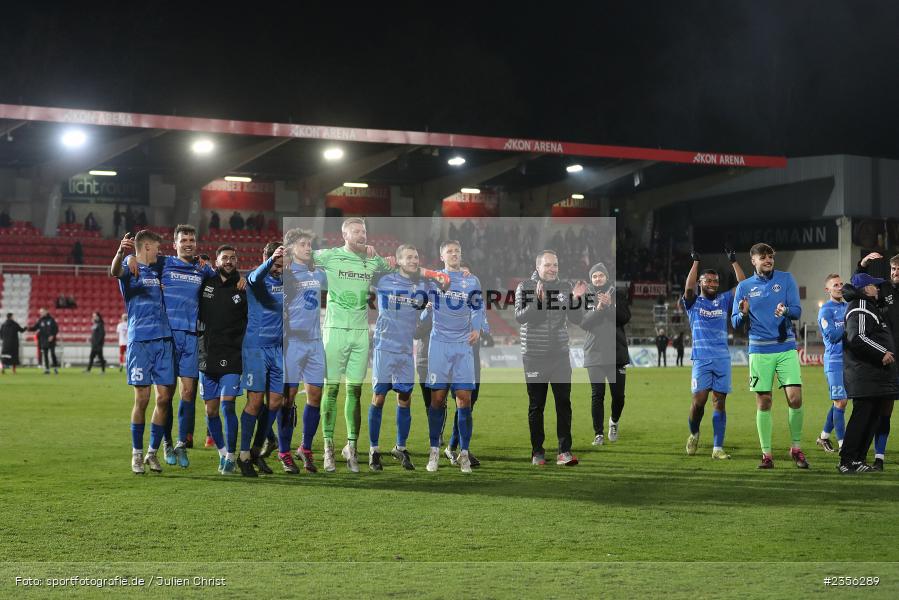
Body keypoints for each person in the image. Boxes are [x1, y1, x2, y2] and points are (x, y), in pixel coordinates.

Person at [116, 225, 222, 467]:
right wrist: (129, 255)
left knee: (187, 392)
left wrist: (237, 279)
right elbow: (139, 259)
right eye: (183, 239)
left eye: (191, 239)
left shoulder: (202, 269)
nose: (188, 243)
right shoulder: (163, 263)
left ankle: (181, 444)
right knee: (165, 395)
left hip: (191, 336)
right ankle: (161, 444)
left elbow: (220, 282)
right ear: (175, 244)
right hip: (166, 335)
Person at [313, 218, 391, 473]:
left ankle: (351, 447)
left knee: (355, 392)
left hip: (360, 333)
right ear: (344, 234)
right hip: (334, 332)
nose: (361, 234)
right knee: (331, 391)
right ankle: (327, 448)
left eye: (364, 231)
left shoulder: (372, 259)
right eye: (356, 231)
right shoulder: (330, 256)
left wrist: (387, 259)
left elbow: (398, 267)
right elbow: (300, 256)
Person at [732, 243, 808, 469]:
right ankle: (767, 455)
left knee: (795, 398)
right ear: (753, 261)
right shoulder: (744, 287)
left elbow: (796, 311)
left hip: (785, 348)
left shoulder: (786, 279)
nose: (768, 260)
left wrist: (785, 310)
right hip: (759, 351)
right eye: (762, 257)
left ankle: (796, 448)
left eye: (770, 257)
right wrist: (743, 314)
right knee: (764, 402)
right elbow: (735, 323)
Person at [514, 249, 587, 467]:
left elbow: (576, 319)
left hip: (560, 355)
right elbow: (520, 317)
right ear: (538, 267)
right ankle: (537, 452)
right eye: (548, 265)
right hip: (534, 355)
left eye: (555, 265)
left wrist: (576, 300)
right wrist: (538, 301)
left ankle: (564, 452)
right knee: (537, 405)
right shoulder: (525, 287)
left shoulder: (565, 287)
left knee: (563, 403)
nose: (552, 269)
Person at [110, 230, 175, 474]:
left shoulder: (158, 270)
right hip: (140, 342)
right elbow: (115, 271)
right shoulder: (130, 270)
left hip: (164, 341)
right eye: (156, 247)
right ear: (147, 246)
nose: (159, 251)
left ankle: (152, 453)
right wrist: (122, 254)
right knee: (143, 399)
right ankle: (136, 454)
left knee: (164, 398)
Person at [424, 240, 486, 473]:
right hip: (439, 343)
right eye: (449, 251)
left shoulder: (472, 280)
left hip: (463, 345)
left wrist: (477, 328)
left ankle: (464, 454)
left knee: (465, 400)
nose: (454, 254)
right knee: (437, 400)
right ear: (441, 256)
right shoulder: (434, 278)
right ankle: (434, 452)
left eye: (457, 251)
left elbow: (478, 307)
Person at [682, 249, 746, 459]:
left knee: (719, 401)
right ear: (701, 282)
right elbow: (688, 287)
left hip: (722, 359)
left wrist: (734, 262)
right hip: (701, 359)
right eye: (708, 280)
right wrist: (696, 262)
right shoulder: (692, 303)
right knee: (698, 402)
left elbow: (744, 287)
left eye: (715, 281)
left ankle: (717, 448)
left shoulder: (724, 300)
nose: (712, 283)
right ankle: (694, 432)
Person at [838, 273, 899, 473]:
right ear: (865, 288)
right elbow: (858, 337)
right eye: (874, 285)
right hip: (863, 374)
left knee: (871, 417)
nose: (878, 289)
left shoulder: (869, 306)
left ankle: (858, 460)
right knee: (861, 416)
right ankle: (846, 461)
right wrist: (882, 352)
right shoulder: (861, 307)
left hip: (873, 375)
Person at [236, 242, 285, 477]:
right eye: (275, 263)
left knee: (275, 402)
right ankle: (243, 455)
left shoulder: (287, 282)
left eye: (281, 264)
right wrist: (269, 262)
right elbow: (254, 278)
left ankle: (256, 451)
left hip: (277, 349)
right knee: (255, 402)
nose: (279, 268)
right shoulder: (255, 277)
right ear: (266, 258)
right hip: (255, 348)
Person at [198, 244, 247, 476]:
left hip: (232, 354)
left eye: (233, 258)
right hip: (207, 354)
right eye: (225, 258)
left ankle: (231, 456)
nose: (229, 261)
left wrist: (246, 278)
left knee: (228, 405)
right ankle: (222, 452)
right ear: (217, 262)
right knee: (211, 411)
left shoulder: (244, 286)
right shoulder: (205, 283)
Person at [283, 229, 328, 474]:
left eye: (309, 244)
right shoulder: (286, 275)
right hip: (293, 343)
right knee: (287, 399)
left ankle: (306, 448)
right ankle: (283, 450)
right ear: (290, 249)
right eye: (303, 244)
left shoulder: (318, 273)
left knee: (315, 397)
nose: (308, 248)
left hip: (314, 343)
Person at [854, 252, 899, 468]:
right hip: (889, 360)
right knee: (884, 409)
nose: (895, 273)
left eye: (898, 270)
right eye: (893, 270)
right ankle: (879, 457)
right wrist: (862, 265)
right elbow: (858, 283)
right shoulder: (885, 289)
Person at [581, 262, 631, 446]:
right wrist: (599, 308)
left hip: (616, 353)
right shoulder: (586, 297)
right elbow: (584, 322)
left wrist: (610, 307)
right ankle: (598, 434)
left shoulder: (618, 294)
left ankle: (614, 422)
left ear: (607, 277)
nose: (597, 278)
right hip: (594, 353)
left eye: (600, 275)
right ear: (591, 279)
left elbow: (625, 318)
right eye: (594, 276)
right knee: (597, 395)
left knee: (619, 396)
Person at [816, 274, 849, 454]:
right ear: (827, 289)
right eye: (835, 285)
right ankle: (843, 445)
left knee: (839, 402)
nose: (839, 287)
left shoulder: (847, 305)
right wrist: (848, 322)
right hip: (834, 361)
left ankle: (823, 437)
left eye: (841, 284)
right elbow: (833, 336)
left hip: (849, 361)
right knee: (841, 401)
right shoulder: (826, 310)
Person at [29, 308, 59, 375]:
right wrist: (28, 328)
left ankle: (55, 367)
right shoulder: (40, 320)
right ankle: (47, 369)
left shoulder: (51, 320)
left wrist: (52, 335)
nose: (41, 313)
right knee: (45, 355)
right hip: (43, 340)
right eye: (40, 312)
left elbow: (56, 329)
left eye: (42, 312)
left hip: (51, 340)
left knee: (52, 353)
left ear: (46, 312)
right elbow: (35, 328)